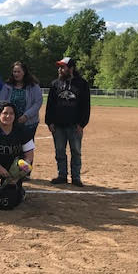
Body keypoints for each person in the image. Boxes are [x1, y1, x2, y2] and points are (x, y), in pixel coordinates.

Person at [45, 57, 91, 187]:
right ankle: (62, 175)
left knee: (76, 151)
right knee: (60, 151)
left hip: (74, 125)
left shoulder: (82, 84)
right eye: (59, 67)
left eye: (63, 67)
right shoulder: (55, 84)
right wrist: (49, 122)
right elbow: (50, 105)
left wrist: (82, 124)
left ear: (71, 68)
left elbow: (86, 106)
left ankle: (76, 177)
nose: (60, 70)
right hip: (58, 125)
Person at [0, 101, 35, 189]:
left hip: (14, 167)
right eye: (5, 113)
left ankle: (18, 191)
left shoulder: (23, 131)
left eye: (11, 113)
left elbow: (29, 156)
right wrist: (0, 168)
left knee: (10, 198)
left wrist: (18, 174)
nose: (8, 116)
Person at [0, 61, 43, 138]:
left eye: (18, 71)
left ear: (24, 72)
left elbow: (38, 102)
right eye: (14, 72)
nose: (16, 74)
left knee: (27, 148)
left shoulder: (33, 86)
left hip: (29, 124)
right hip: (10, 123)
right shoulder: (7, 86)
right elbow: (0, 102)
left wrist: (26, 116)